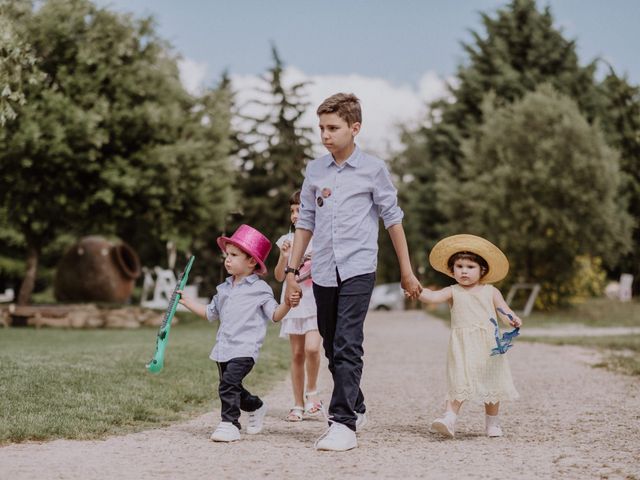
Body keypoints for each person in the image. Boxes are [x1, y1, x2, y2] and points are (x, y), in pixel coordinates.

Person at [284, 93, 423, 451]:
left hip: (359, 268)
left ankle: (343, 423)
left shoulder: (373, 169)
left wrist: (407, 271)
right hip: (324, 271)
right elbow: (306, 224)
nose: (325, 135)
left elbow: (393, 220)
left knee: (347, 343)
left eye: (333, 128)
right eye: (321, 128)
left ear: (354, 128)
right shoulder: (315, 170)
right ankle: (357, 404)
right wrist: (292, 271)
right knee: (332, 344)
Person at [179, 224, 299, 443]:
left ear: (252, 261)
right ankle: (256, 405)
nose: (227, 259)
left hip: (244, 349)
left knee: (228, 385)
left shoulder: (260, 289)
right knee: (232, 387)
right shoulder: (223, 289)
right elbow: (209, 313)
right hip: (223, 348)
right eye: (227, 255)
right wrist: (186, 302)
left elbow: (274, 315)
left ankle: (229, 423)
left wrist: (288, 304)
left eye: (234, 255)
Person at [413, 233, 522, 438]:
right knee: (459, 380)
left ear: (482, 270)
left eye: (470, 267)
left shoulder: (490, 291)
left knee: (491, 382)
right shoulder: (452, 291)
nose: (464, 271)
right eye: (459, 267)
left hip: (488, 345)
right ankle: (449, 418)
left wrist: (513, 319)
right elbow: (432, 296)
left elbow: (504, 311)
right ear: (452, 270)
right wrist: (416, 289)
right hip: (462, 345)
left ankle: (492, 424)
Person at [274, 190, 323, 422]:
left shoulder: (321, 239)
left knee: (313, 348)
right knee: (297, 353)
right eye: (292, 211)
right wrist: (284, 257)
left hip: (315, 299)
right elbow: (278, 277)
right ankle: (297, 404)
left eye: (299, 210)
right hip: (293, 301)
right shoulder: (287, 240)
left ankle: (312, 392)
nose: (294, 215)